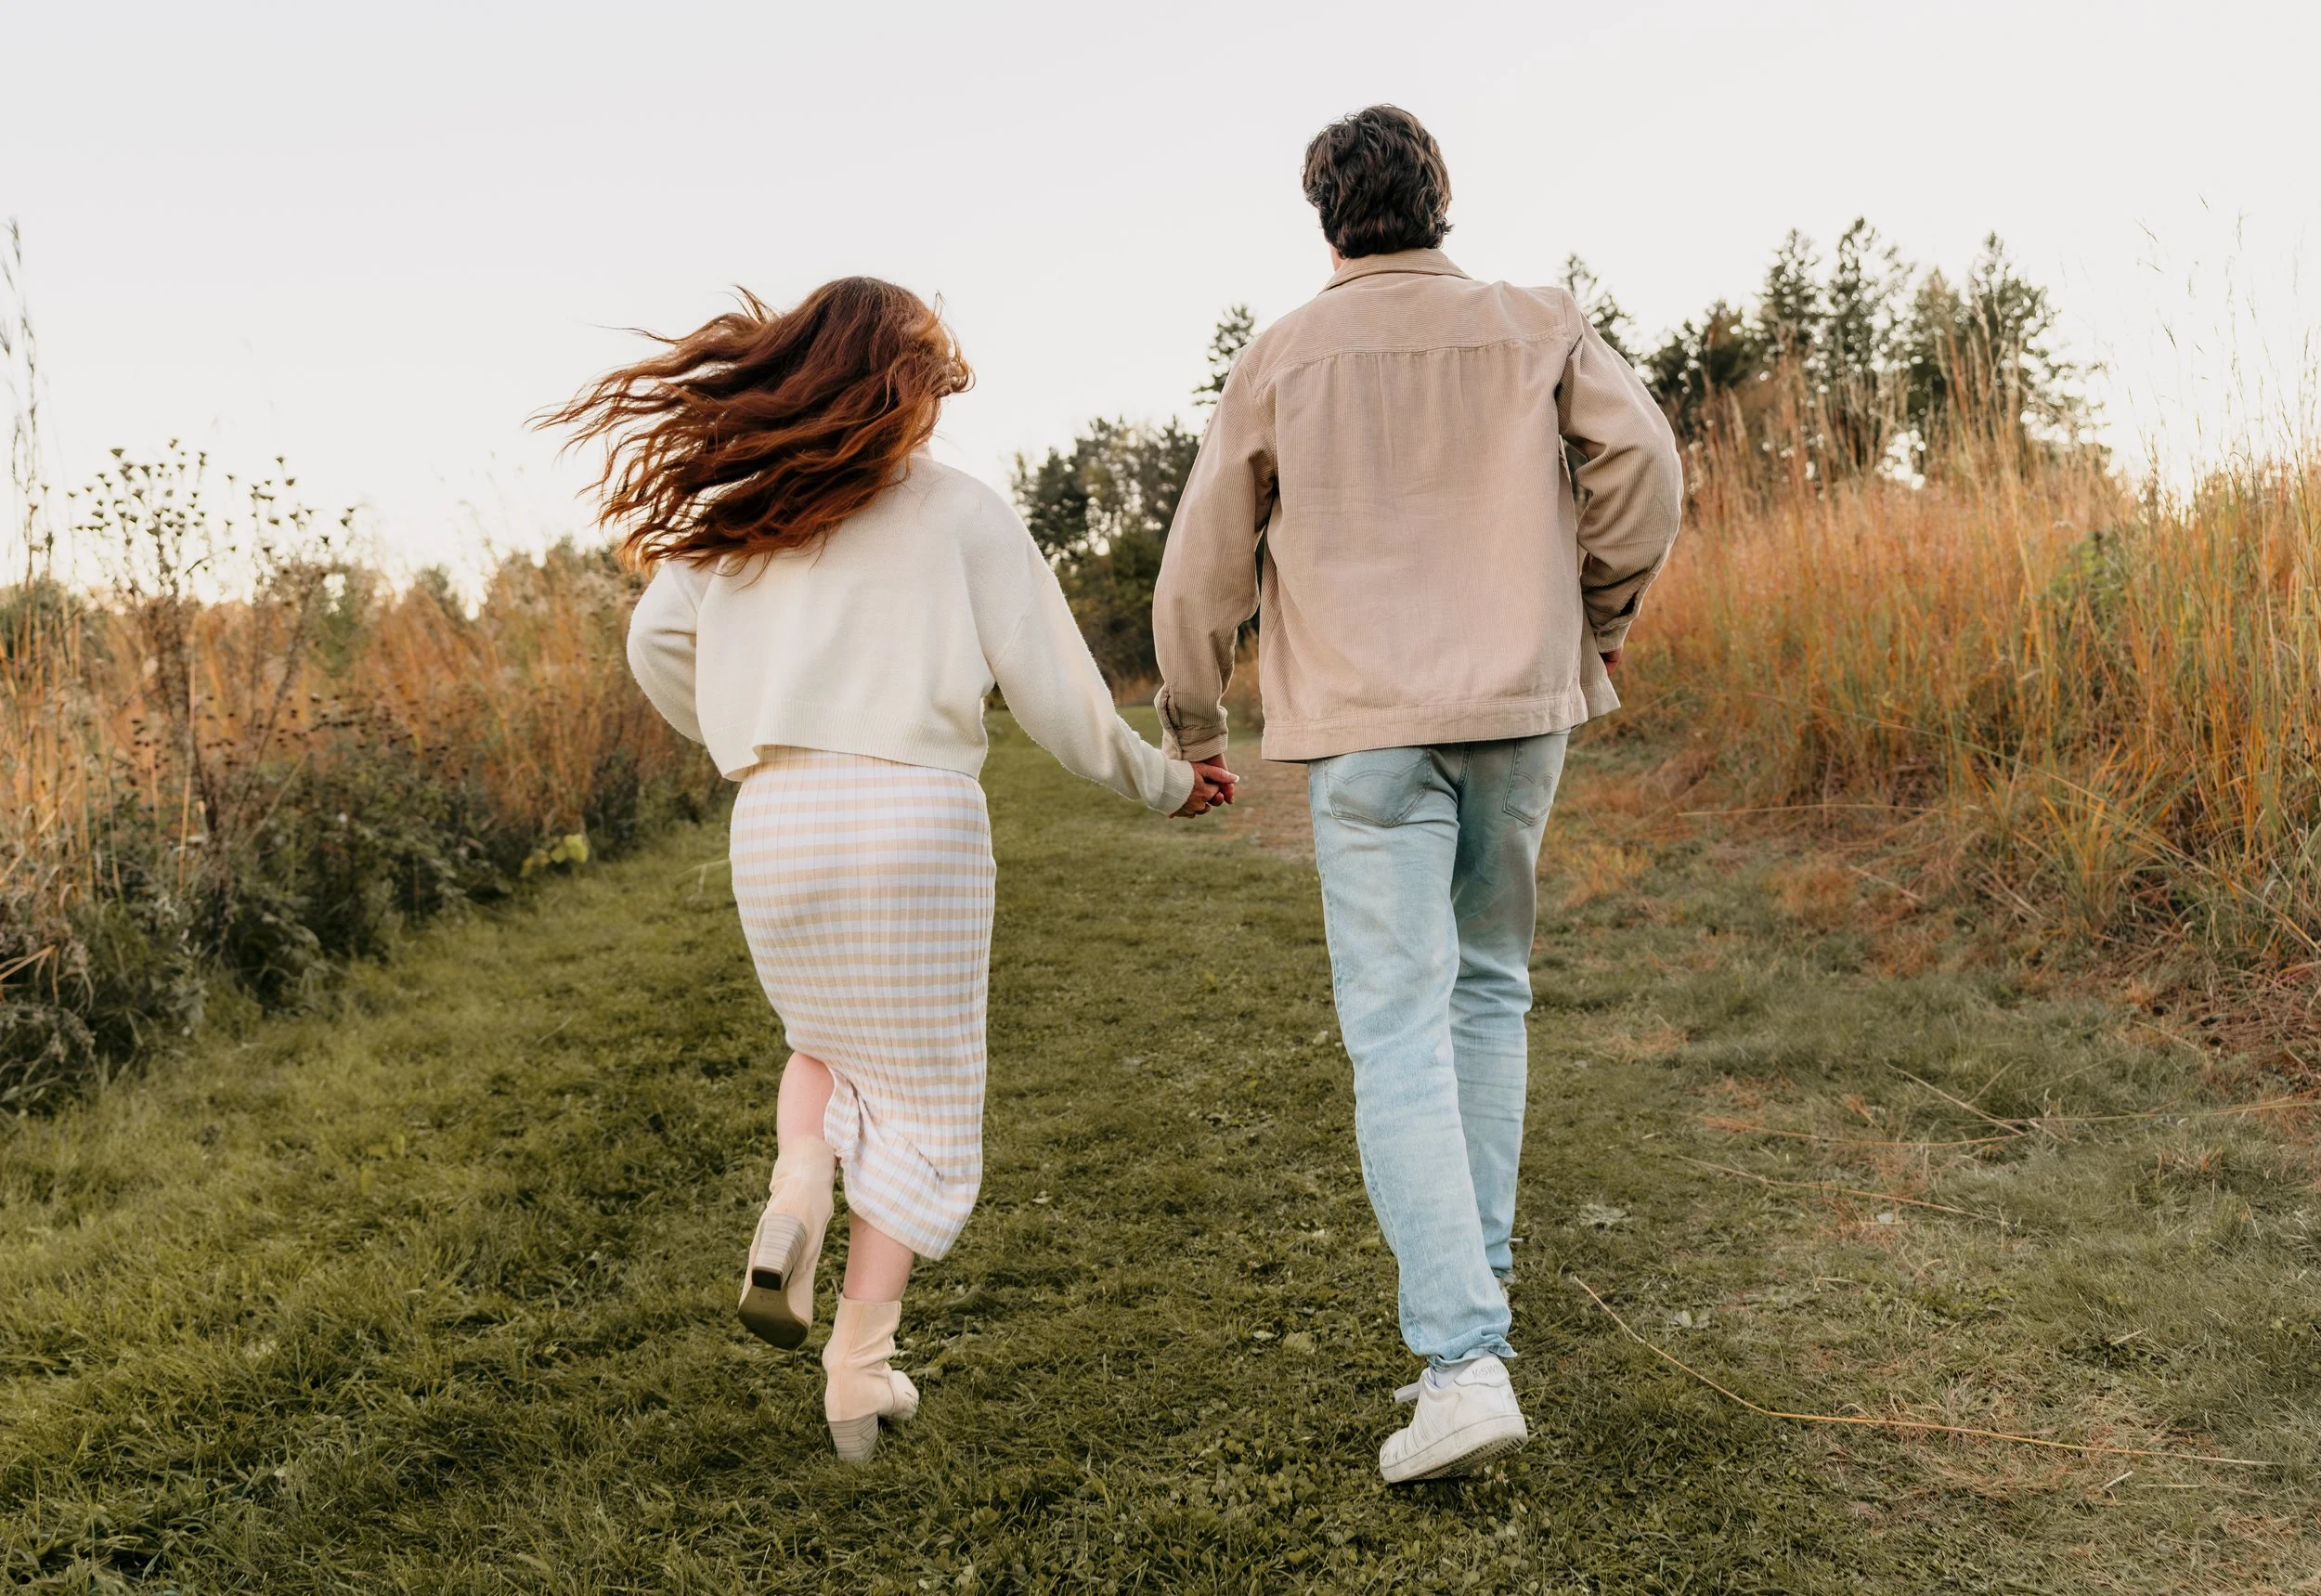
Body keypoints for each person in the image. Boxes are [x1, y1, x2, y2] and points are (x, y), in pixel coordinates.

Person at [548, 278, 1233, 1461]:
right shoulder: (959, 511)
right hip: (914, 822)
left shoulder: (739, 509)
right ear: (903, 389)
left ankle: (798, 1192)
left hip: (776, 817)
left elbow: (655, 644)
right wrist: (1164, 781)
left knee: (822, 1046)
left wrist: (739, 730)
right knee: (922, 1105)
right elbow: (1058, 697)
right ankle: (857, 1377)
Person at [1150, 106, 1683, 1483]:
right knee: (1487, 990)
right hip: (1520, 707)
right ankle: (1474, 1324)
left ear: (1327, 216)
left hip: (1369, 730)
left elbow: (1201, 561)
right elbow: (1646, 471)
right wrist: (1596, 611)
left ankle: (1462, 1354)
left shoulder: (1280, 355)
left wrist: (1195, 721)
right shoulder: (1536, 317)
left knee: (1396, 1029)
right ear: (1440, 199)